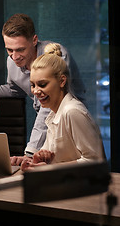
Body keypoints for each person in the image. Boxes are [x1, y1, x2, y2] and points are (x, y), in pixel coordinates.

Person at [0, 13, 86, 164]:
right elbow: (14, 90)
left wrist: (30, 151)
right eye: (9, 50)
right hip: (49, 130)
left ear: (34, 40)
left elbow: (49, 107)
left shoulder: (56, 55)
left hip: (71, 126)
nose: (14, 57)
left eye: (20, 49)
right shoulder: (12, 62)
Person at [20, 43, 106, 171]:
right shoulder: (53, 114)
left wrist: (50, 168)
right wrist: (39, 160)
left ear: (62, 81)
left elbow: (95, 161)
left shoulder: (72, 112)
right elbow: (57, 159)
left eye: (42, 84)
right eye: (33, 85)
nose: (36, 91)